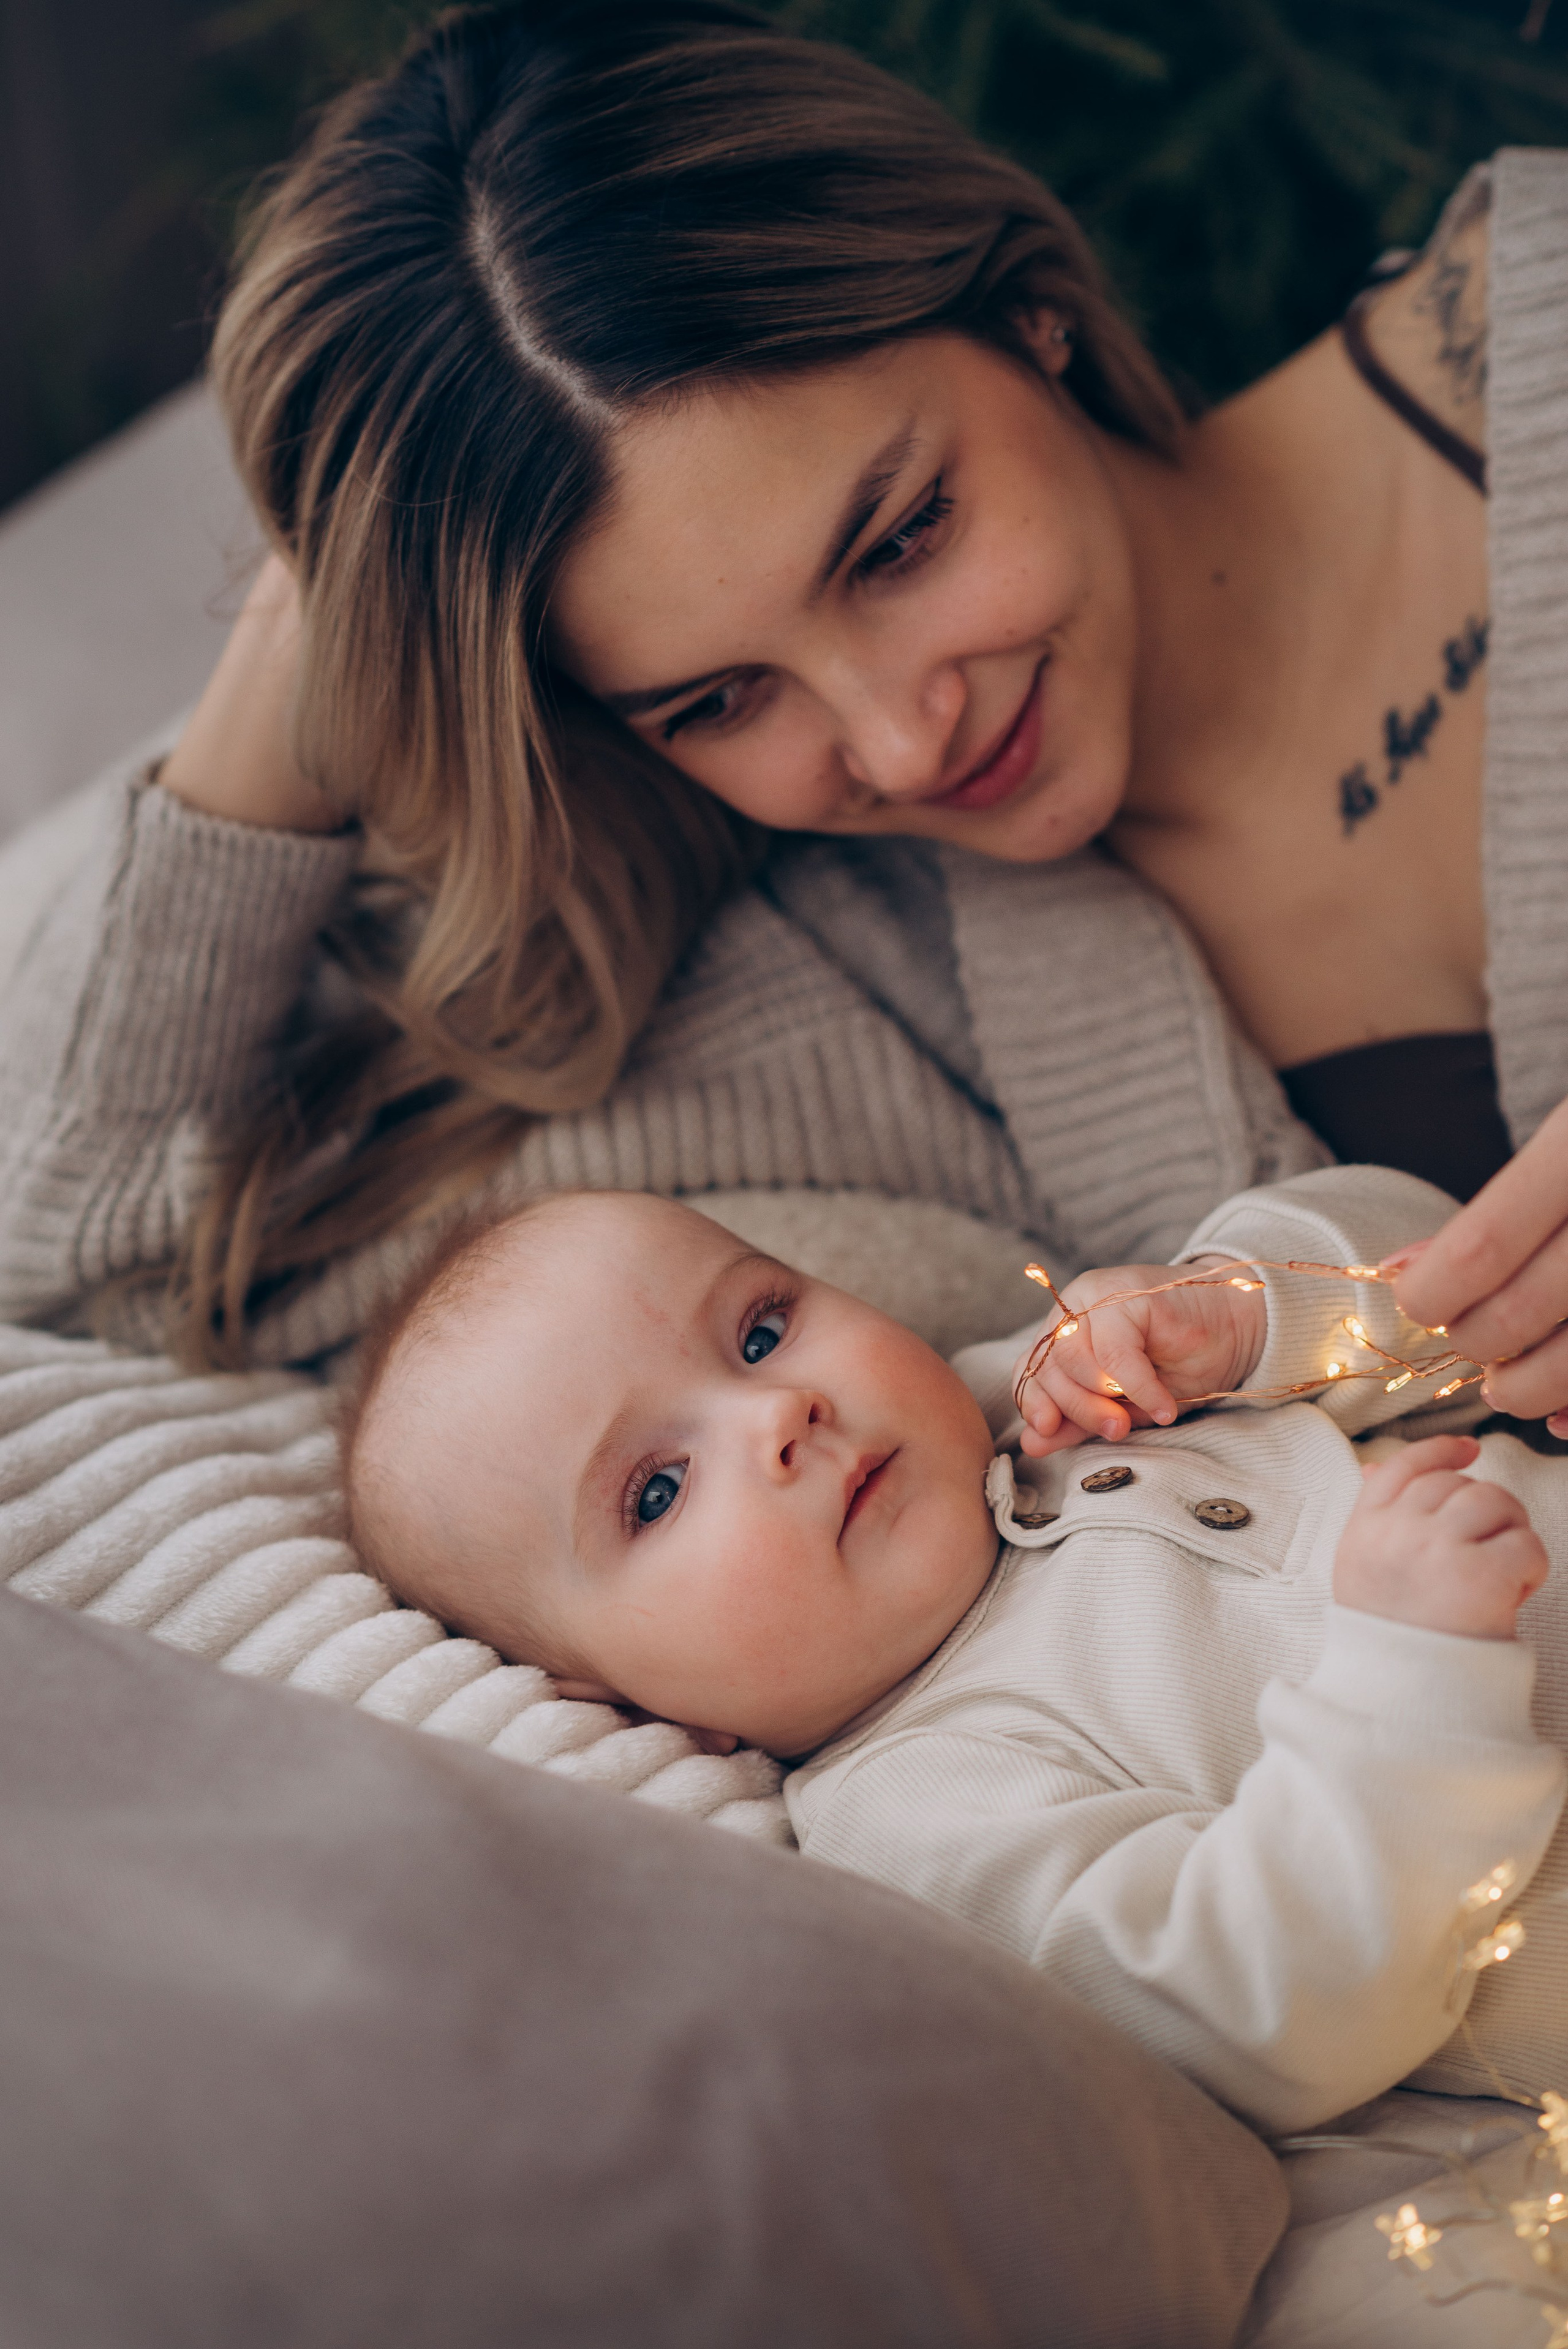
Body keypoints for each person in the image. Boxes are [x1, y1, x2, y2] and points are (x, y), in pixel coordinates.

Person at [1, 0, 1565, 1414]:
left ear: (1025, 307)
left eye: (899, 541)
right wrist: (320, 608)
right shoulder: (838, 959)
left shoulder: (1523, 342)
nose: (901, 744)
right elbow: (84, 1254)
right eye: (717, 699)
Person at [341, 1165, 1568, 2134]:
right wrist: (1411, 1677)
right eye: (656, 1491)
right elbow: (1266, 2012)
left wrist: (1243, 1311)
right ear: (632, 1708)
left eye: (761, 1331)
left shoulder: (1055, 1389)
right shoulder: (920, 1803)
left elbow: (1466, 1267)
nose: (776, 1411)